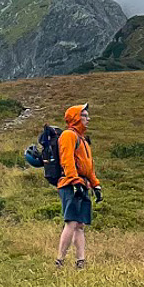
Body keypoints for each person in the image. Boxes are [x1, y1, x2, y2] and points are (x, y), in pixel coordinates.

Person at [54, 102, 102, 268]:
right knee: (72, 221)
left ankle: (81, 261)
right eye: (84, 116)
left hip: (82, 183)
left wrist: (96, 185)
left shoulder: (82, 140)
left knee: (80, 224)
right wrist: (75, 181)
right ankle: (60, 260)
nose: (88, 119)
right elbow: (67, 160)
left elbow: (88, 166)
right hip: (70, 184)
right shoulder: (69, 135)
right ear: (76, 118)